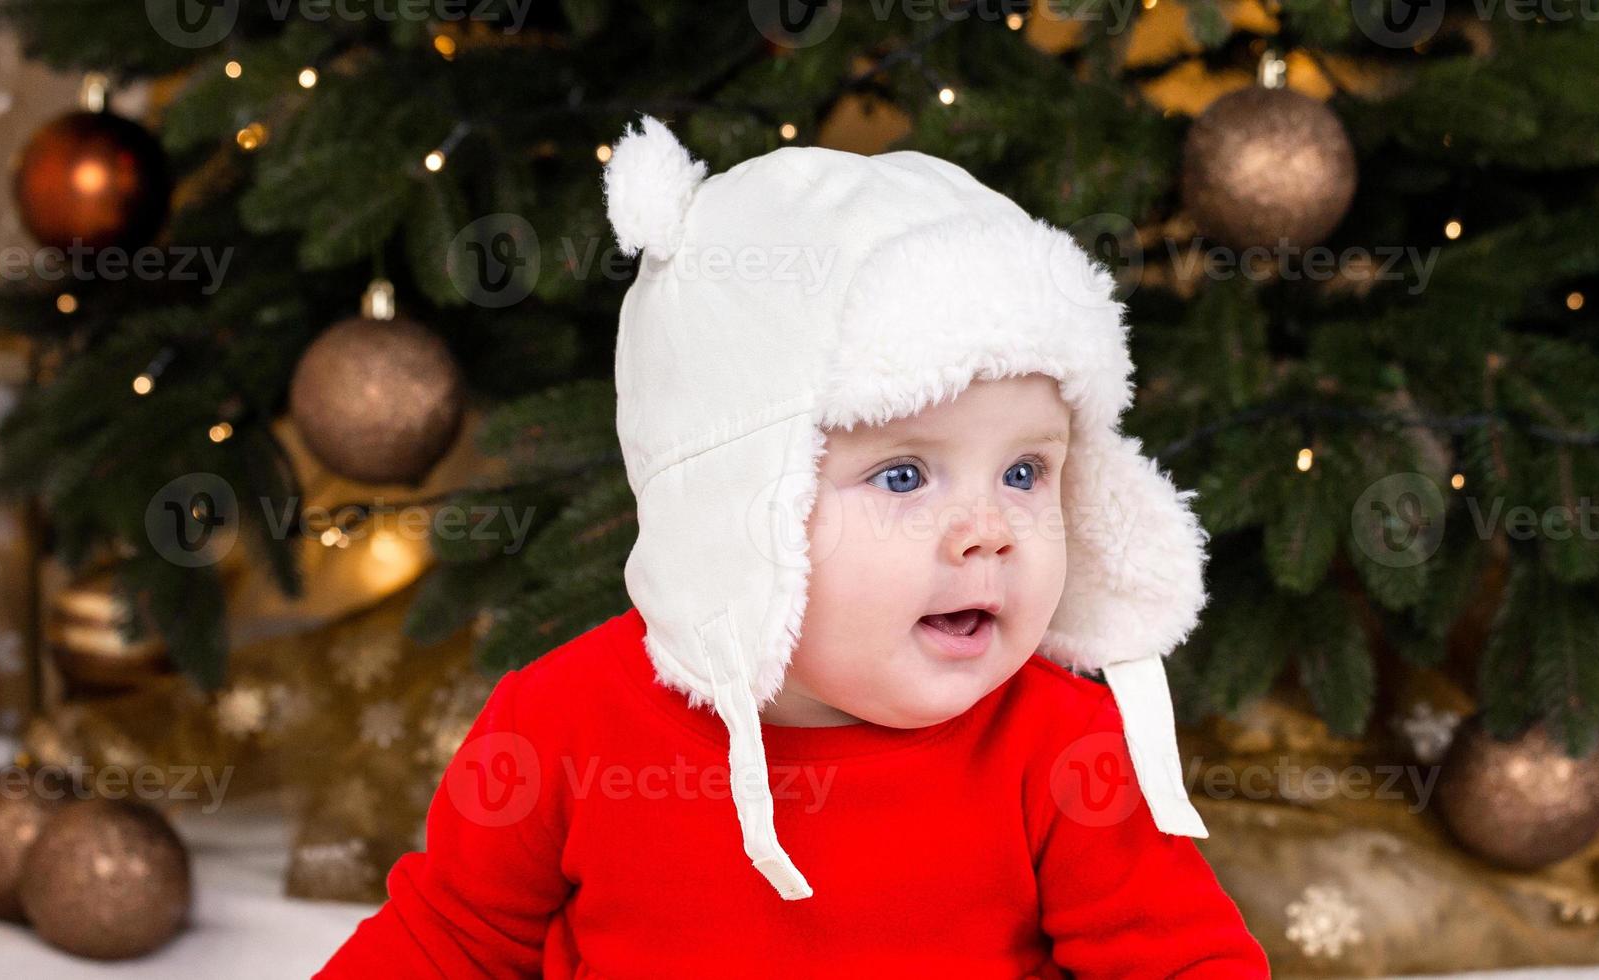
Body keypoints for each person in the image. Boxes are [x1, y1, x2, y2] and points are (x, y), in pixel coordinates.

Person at [319, 115, 1267, 978]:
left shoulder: (1062, 748)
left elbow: (1187, 963)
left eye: (1025, 473)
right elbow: (445, 940)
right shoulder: (560, 723)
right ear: (735, 505)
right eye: (902, 476)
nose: (992, 533)